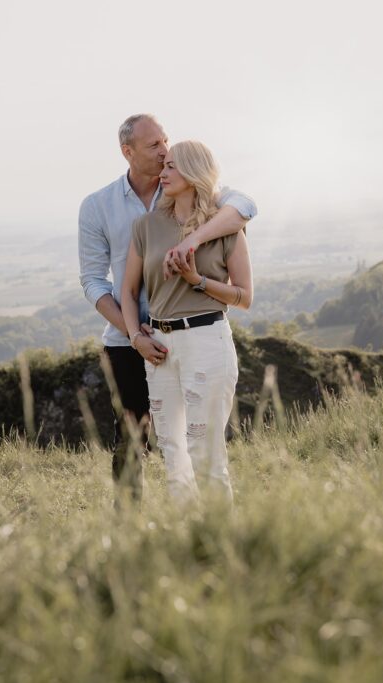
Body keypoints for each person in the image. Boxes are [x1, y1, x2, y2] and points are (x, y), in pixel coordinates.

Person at [78, 115, 256, 504]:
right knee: (132, 438)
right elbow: (94, 282)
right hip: (131, 338)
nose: (163, 153)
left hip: (194, 334)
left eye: (166, 144)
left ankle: (209, 530)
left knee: (198, 443)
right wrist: (135, 333)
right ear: (128, 152)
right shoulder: (99, 207)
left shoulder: (198, 196)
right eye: (154, 146)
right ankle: (129, 530)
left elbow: (246, 206)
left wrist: (191, 244)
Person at [120, 140, 253, 504]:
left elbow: (244, 297)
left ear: (194, 173)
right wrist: (135, 336)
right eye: (164, 166)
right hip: (160, 347)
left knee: (204, 451)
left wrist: (198, 281)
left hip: (206, 341)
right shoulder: (146, 226)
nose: (163, 172)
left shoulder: (226, 227)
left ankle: (218, 539)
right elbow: (128, 292)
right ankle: (188, 540)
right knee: (171, 450)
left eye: (173, 167)